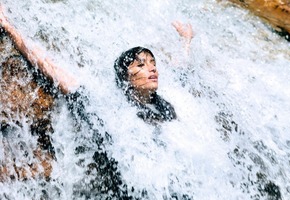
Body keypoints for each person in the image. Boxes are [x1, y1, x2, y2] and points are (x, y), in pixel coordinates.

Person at [0, 3, 194, 197]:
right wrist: (8, 27)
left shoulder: (163, 104)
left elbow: (179, 73)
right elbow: (49, 67)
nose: (152, 69)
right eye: (141, 65)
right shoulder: (105, 109)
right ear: (125, 77)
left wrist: (186, 41)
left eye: (153, 63)